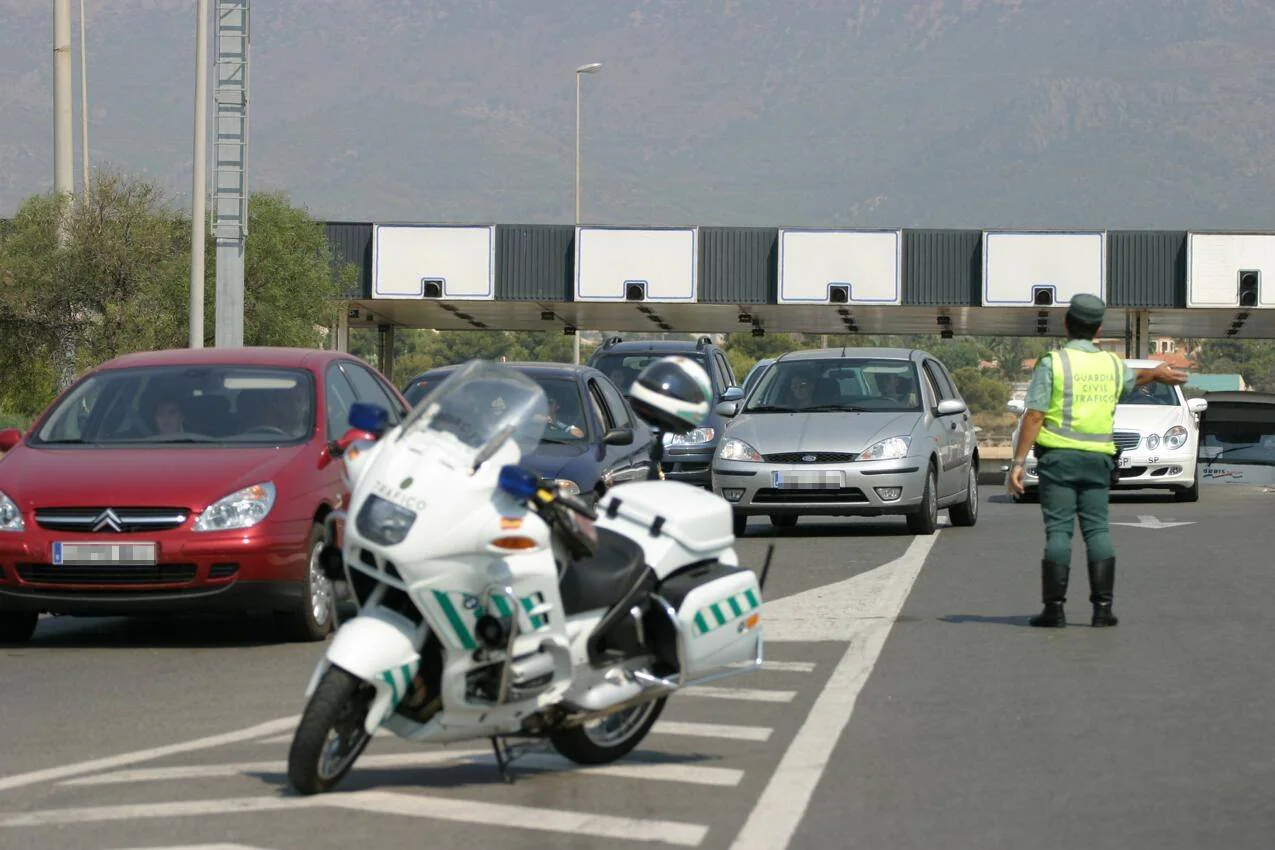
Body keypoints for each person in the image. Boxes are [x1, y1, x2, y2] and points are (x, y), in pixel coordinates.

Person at [1007, 294, 1188, 628]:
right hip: (1098, 462)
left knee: (1059, 533)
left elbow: (1034, 414)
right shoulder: (1110, 364)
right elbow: (1134, 382)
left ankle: (1055, 610)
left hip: (1059, 461)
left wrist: (1018, 463)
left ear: (1066, 325)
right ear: (1099, 328)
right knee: (1097, 531)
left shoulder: (1054, 363)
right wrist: (1157, 373)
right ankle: (1103, 610)